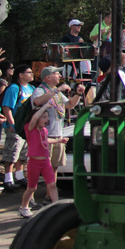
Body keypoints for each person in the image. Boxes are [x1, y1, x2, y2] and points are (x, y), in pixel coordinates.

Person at [31, 66, 84, 201]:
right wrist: (57, 90)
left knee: (53, 168)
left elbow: (69, 105)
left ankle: (49, 196)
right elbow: (37, 101)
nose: (59, 75)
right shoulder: (40, 90)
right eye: (56, 73)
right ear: (48, 77)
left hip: (57, 135)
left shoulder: (57, 93)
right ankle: (30, 198)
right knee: (39, 169)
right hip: (44, 136)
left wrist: (77, 94)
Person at [18, 102, 68, 218]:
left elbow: (46, 140)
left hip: (45, 162)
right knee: (32, 187)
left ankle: (56, 207)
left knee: (52, 185)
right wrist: (45, 106)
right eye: (44, 117)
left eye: (47, 117)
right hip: (34, 162)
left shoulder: (44, 131)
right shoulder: (29, 128)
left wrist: (59, 141)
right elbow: (35, 117)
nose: (46, 119)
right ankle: (23, 207)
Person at [0, 64, 35, 192]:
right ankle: (8, 179)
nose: (31, 74)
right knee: (12, 152)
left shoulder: (31, 88)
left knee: (23, 153)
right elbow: (7, 107)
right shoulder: (14, 88)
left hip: (26, 126)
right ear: (20, 75)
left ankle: (19, 176)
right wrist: (11, 124)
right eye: (28, 72)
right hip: (15, 126)